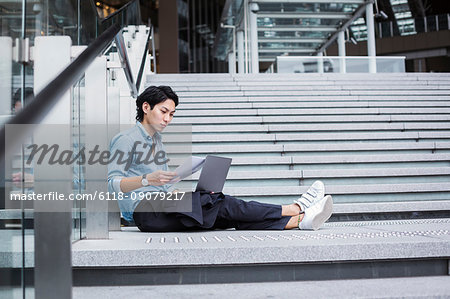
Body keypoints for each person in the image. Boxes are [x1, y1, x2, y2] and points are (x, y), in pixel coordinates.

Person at [107, 86, 333, 232]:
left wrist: (172, 181)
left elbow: (159, 185)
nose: (168, 119)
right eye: (163, 111)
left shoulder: (157, 143)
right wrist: (147, 180)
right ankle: (294, 207)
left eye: (172, 114)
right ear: (146, 107)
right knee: (219, 203)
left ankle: (299, 221)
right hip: (144, 211)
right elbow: (112, 184)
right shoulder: (125, 139)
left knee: (222, 215)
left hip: (160, 208)